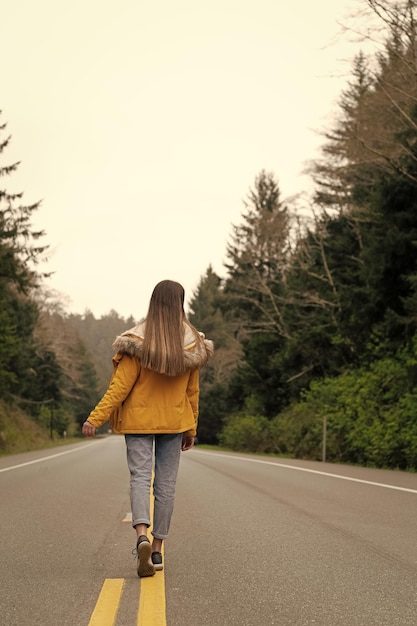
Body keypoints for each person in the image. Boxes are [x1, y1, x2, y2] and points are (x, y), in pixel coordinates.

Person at [82, 280, 214, 577]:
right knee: (166, 486)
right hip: (175, 422)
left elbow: (119, 388)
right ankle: (156, 551)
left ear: (153, 302)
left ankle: (141, 533)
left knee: (140, 479)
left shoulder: (136, 341)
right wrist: (191, 428)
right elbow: (192, 393)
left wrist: (95, 417)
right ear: (181, 303)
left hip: (139, 422)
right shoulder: (193, 343)